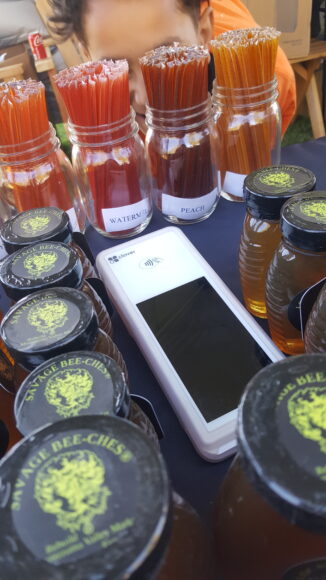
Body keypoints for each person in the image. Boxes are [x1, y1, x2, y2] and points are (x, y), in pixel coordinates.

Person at [49, 0, 296, 135]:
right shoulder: (94, 96)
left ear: (203, 33)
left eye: (166, 57)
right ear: (86, 55)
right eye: (116, 67)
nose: (147, 98)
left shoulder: (263, 83)